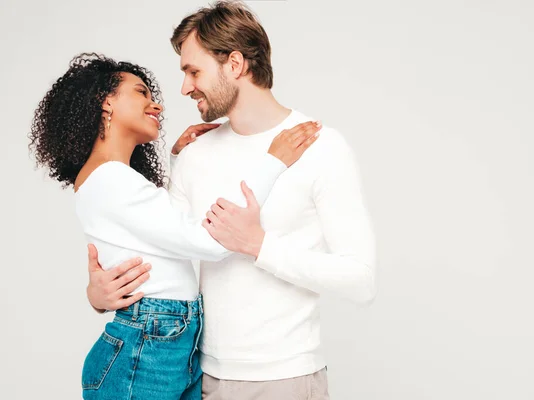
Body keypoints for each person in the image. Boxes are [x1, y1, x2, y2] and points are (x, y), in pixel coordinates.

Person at [86, 1, 377, 399]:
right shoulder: (195, 151)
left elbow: (361, 281)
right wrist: (101, 295)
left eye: (193, 71)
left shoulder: (320, 146)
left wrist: (258, 245)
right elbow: (164, 249)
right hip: (199, 377)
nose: (184, 88)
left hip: (286, 381)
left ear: (235, 64)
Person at [28, 53, 320, 399]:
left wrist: (176, 160)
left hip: (161, 343)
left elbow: (158, 235)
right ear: (106, 102)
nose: (157, 106)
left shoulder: (111, 179)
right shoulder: (111, 180)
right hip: (148, 349)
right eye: (141, 93)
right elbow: (210, 242)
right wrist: (274, 162)